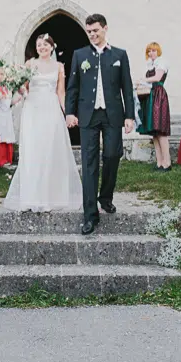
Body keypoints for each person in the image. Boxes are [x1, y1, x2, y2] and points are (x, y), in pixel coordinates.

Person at [66, 14, 135, 235]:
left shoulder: (119, 55)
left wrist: (130, 116)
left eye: (96, 30)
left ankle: (105, 197)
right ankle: (89, 215)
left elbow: (127, 87)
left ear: (105, 29)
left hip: (113, 115)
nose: (93, 34)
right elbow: (72, 87)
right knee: (89, 163)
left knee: (113, 156)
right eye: (89, 31)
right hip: (88, 116)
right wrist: (70, 112)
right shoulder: (79, 55)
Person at [4, 34, 82, 212]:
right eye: (39, 45)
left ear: (52, 47)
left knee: (50, 149)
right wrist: (16, 89)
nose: (42, 47)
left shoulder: (59, 66)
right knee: (33, 150)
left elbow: (60, 92)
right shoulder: (30, 64)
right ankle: (31, 197)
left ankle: (51, 196)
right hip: (33, 109)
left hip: (51, 109)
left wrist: (68, 112)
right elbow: (23, 87)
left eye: (45, 45)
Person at [136, 42, 172, 171]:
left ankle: (167, 162)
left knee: (160, 131)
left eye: (154, 50)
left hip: (159, 96)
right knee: (154, 132)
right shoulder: (150, 65)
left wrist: (142, 80)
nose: (151, 53)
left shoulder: (161, 63)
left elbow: (157, 77)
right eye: (149, 51)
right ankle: (159, 162)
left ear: (158, 51)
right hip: (150, 96)